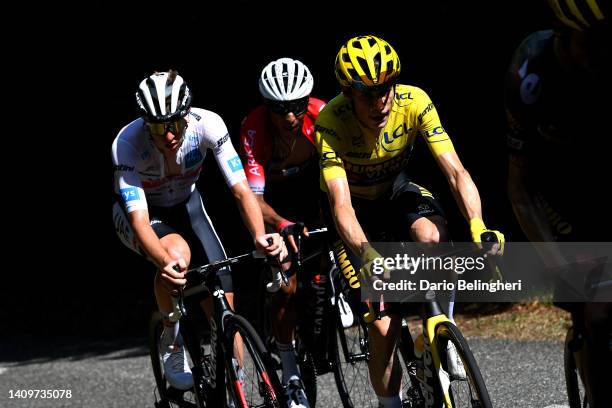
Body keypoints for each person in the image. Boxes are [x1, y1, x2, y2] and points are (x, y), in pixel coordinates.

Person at [315, 35, 504, 408]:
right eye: (366, 93)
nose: (379, 101)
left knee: (433, 237)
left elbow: (455, 171)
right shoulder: (330, 121)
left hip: (396, 192)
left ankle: (442, 332)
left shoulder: (415, 101)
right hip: (355, 215)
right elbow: (340, 205)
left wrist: (478, 224)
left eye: (385, 88)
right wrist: (366, 253)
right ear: (346, 93)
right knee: (384, 328)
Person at [112, 70, 287, 391]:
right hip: (142, 215)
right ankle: (172, 337)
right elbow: (139, 220)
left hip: (188, 206)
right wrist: (163, 264)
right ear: (144, 122)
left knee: (222, 292)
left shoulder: (208, 124)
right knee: (177, 258)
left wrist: (260, 236)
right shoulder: (127, 143)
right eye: (157, 127)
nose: (168, 136)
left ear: (187, 116)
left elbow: (241, 190)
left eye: (174, 125)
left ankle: (230, 385)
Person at [505, 1, 611, 406]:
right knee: (597, 310)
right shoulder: (530, 72)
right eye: (595, 41)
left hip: (604, 182)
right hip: (558, 195)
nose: (604, 51)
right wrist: (558, 263)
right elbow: (520, 188)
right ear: (565, 36)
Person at [239, 57, 327, 408]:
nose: (289, 116)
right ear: (267, 106)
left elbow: (341, 180)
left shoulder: (322, 116)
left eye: (296, 107)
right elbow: (252, 197)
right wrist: (279, 225)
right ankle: (290, 375)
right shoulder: (255, 129)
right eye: (279, 108)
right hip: (272, 204)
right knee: (286, 283)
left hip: (312, 191)